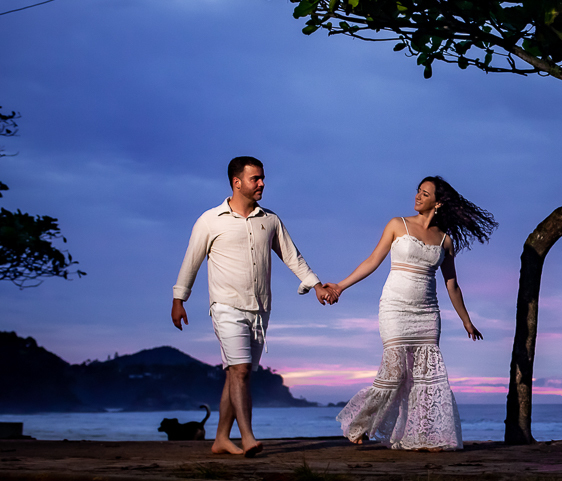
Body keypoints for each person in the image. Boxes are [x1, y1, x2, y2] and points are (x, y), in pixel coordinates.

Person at [172, 156, 337, 456]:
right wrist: (179, 299)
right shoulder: (209, 220)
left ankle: (221, 438)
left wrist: (316, 285)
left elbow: (292, 256)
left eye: (262, 178)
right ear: (237, 182)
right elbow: (191, 260)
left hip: (260, 309)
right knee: (241, 370)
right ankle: (247, 437)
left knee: (237, 373)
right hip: (225, 306)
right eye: (255, 178)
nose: (262, 183)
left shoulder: (270, 220)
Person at [330, 176, 495, 451]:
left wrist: (467, 321)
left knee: (423, 380)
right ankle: (360, 424)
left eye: (425, 193)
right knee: (394, 373)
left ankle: (422, 437)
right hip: (395, 308)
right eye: (418, 191)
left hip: (428, 314)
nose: (418, 196)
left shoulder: (445, 240)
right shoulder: (398, 225)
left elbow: (452, 284)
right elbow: (373, 261)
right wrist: (340, 286)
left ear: (438, 203)